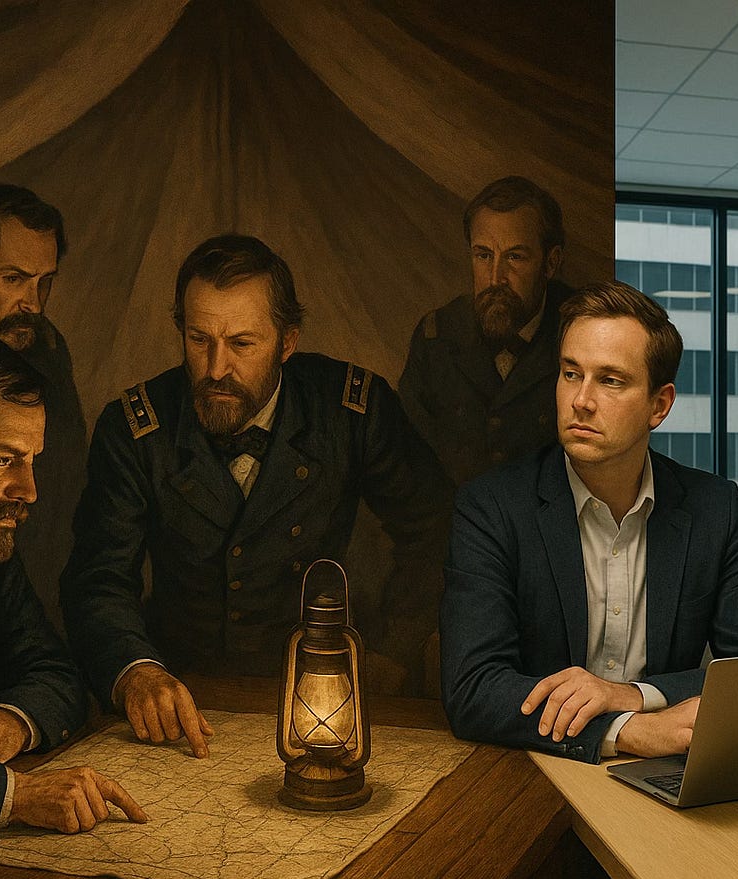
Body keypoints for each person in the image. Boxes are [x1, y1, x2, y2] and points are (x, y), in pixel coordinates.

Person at [62, 234, 449, 758]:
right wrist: (136, 670)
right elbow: (99, 578)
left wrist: (393, 651)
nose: (216, 368)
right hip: (183, 700)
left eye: (242, 344)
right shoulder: (134, 428)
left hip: (319, 697)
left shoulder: (352, 410)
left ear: (287, 342)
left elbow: (436, 527)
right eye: (199, 340)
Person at [440, 280, 738, 763]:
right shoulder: (492, 508)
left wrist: (631, 696)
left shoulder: (713, 507)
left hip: (670, 772)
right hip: (537, 772)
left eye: (610, 380)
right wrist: (624, 730)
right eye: (570, 373)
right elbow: (473, 689)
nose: (581, 400)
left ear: (659, 405)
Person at [0, 334, 144, 841]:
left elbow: (52, 670)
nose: (29, 491)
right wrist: (16, 796)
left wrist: (10, 718)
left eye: (31, 459)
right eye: (3, 460)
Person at [0, 185, 88, 620]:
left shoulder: (46, 345)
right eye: (13, 279)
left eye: (44, 282)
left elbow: (65, 475)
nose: (32, 303)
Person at [399, 175, 575, 485]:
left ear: (551, 263)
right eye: (483, 256)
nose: (496, 278)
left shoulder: (584, 332)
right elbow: (411, 468)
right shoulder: (435, 337)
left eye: (515, 257)